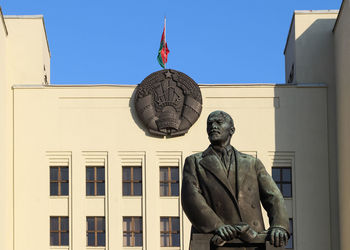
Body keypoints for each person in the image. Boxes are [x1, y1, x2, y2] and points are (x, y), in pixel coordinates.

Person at [181, 110, 289, 248]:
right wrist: (217, 225)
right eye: (210, 123)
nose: (213, 126)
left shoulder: (251, 163)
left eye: (219, 122)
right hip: (216, 239)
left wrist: (279, 225)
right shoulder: (195, 162)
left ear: (231, 130)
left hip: (252, 240)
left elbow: (273, 196)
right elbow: (191, 197)